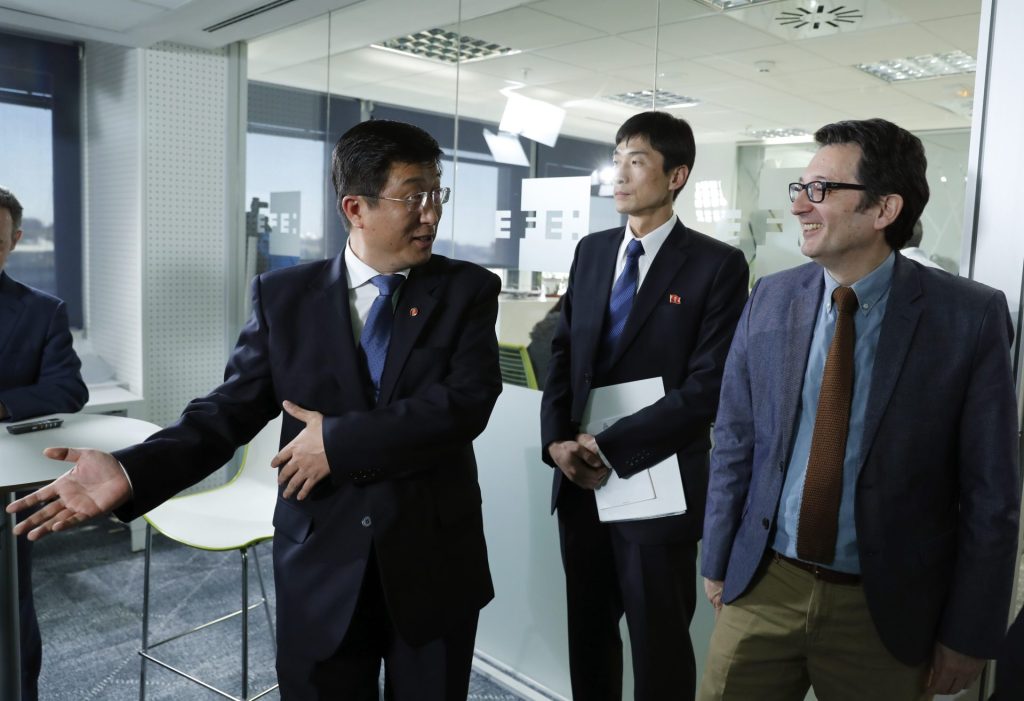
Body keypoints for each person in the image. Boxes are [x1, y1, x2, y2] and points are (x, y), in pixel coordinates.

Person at [9, 120, 503, 701]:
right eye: (413, 196)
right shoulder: (284, 297)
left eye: (436, 193)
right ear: (356, 208)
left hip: (432, 558)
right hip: (321, 557)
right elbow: (228, 411)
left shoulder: (467, 289)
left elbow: (464, 404)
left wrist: (338, 441)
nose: (431, 213)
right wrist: (130, 469)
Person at [700, 118, 1020, 700]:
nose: (799, 205)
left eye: (820, 189)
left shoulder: (966, 317)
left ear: (883, 210)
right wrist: (717, 559)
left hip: (885, 608)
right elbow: (737, 441)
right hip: (763, 585)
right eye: (800, 186)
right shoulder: (771, 297)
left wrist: (971, 631)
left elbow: (991, 494)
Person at [540, 111, 749, 700]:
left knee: (659, 648)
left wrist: (608, 444)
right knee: (589, 637)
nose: (621, 174)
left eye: (638, 160)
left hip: (660, 483)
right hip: (580, 480)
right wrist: (557, 439)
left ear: (676, 175)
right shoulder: (592, 251)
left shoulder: (717, 265)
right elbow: (562, 353)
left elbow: (708, 386)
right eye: (618, 158)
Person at [0, 186, 89, 701]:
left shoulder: (41, 310)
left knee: (11, 617)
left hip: (5, 484)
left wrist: (1, 404)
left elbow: (68, 389)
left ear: (14, 240)